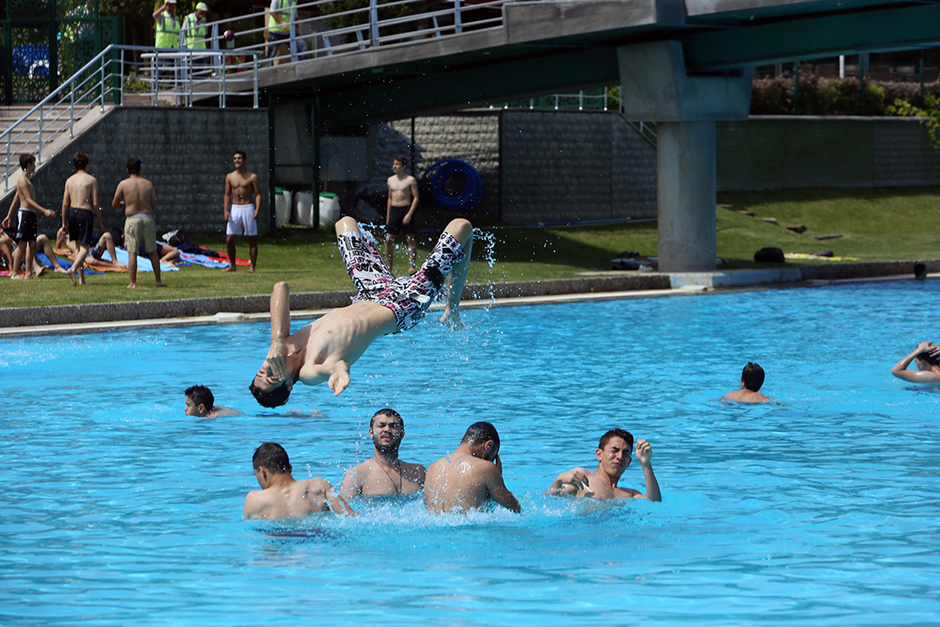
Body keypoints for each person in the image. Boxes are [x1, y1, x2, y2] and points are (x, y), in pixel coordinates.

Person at [249, 216, 472, 407]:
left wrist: (276, 341)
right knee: (462, 227)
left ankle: (449, 307)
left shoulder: (285, 341)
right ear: (288, 383)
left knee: (344, 223)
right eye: (271, 378)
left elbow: (281, 288)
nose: (268, 369)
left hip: (371, 290)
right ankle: (452, 308)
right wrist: (339, 373)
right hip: (404, 305)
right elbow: (335, 367)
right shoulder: (307, 371)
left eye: (262, 371)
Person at [424, 421, 521, 514]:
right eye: (492, 458)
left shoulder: (433, 468)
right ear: (488, 446)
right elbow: (514, 507)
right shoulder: (485, 468)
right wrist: (497, 477)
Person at [244, 443, 355, 520]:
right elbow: (353, 518)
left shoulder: (254, 499)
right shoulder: (319, 486)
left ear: (262, 472)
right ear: (290, 468)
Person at [546, 429, 662, 501]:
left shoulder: (629, 494)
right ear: (599, 454)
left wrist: (645, 463)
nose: (620, 457)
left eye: (625, 453)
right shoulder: (583, 478)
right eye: (614, 450)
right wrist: (558, 481)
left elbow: (654, 502)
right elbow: (548, 501)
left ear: (629, 462)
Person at [338, 408, 426, 499]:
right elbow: (342, 511)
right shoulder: (357, 476)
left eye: (393, 426)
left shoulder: (417, 473)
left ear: (402, 434)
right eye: (381, 425)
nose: (387, 429)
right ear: (371, 433)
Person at [111, 158, 166, 289]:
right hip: (147, 218)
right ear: (140, 169)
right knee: (152, 251)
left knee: (132, 252)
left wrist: (124, 204)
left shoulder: (123, 184)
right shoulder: (148, 184)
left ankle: (133, 283)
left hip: (132, 219)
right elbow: (152, 205)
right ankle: (158, 281)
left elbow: (114, 203)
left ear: (127, 170)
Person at [1, 154, 57, 279]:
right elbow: (27, 199)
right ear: (28, 165)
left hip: (30, 214)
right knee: (22, 244)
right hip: (25, 214)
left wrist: (8, 216)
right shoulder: (22, 180)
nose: (35, 166)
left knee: (32, 244)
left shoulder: (28, 181)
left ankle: (28, 273)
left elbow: (16, 198)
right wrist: (44, 211)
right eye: (33, 163)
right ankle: (14, 273)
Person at [60, 152, 103, 286]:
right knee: (85, 247)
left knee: (78, 247)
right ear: (86, 164)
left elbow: (65, 203)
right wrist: (100, 220)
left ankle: (81, 279)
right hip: (85, 212)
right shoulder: (91, 180)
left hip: (73, 211)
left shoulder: (69, 180)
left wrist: (63, 222)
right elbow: (95, 203)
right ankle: (72, 269)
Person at [223, 150, 261, 273]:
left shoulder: (252, 176)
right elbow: (227, 194)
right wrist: (226, 210)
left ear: (245, 160)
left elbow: (258, 194)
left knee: (251, 239)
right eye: (235, 159)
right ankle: (232, 265)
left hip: (247, 207)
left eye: (239, 158)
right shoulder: (230, 176)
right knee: (229, 239)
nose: (237, 161)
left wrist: (257, 209)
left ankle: (252, 266)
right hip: (235, 208)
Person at [386, 155, 419, 275]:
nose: (394, 166)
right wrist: (388, 216)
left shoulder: (410, 180)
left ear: (403, 166)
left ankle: (412, 265)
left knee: (410, 238)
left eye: (397, 164)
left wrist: (409, 214)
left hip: (406, 208)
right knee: (389, 239)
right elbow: (389, 198)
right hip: (394, 209)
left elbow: (416, 198)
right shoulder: (390, 180)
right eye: (394, 164)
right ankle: (389, 266)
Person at [56, 227, 126, 270]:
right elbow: (58, 249)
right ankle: (113, 266)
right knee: (91, 261)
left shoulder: (79, 228)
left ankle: (115, 261)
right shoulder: (62, 232)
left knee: (107, 235)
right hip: (83, 254)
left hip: (90, 250)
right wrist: (69, 254)